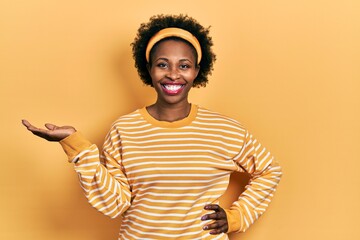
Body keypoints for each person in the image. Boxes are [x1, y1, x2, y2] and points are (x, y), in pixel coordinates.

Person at [22, 14, 282, 239]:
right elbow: (116, 204)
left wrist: (236, 217)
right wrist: (75, 144)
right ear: (148, 69)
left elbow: (269, 170)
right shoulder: (124, 129)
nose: (173, 74)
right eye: (162, 64)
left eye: (184, 65)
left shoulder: (225, 130)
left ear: (197, 71)